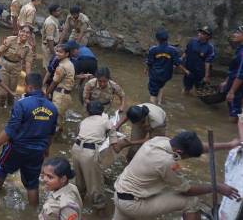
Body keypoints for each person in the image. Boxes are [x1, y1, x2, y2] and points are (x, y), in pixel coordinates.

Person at [112, 132, 240, 220]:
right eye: (187, 156)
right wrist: (216, 187)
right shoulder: (166, 162)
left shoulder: (158, 141)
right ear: (179, 152)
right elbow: (187, 190)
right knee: (192, 202)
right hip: (134, 204)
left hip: (119, 194)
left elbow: (200, 148)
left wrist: (228, 145)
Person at [0, 73, 58, 206]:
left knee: (1, 169)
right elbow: (51, 133)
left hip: (17, 148)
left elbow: (10, 130)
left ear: (29, 87)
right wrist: (46, 149)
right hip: (38, 151)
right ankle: (33, 211)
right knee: (32, 183)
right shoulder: (52, 107)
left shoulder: (22, 104)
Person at [71, 101, 116, 210]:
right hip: (89, 153)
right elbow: (114, 142)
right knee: (95, 183)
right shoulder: (106, 121)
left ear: (88, 112)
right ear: (102, 111)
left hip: (76, 149)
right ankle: (99, 209)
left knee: (79, 180)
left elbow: (78, 134)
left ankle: (76, 204)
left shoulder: (84, 121)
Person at [0, 25, 35, 107]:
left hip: (16, 68)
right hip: (3, 65)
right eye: (23, 31)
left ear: (30, 35)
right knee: (2, 94)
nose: (25, 34)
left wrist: (29, 80)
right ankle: (0, 111)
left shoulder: (29, 48)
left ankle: (10, 112)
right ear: (19, 31)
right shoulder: (10, 40)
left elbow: (28, 65)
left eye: (27, 33)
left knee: (11, 94)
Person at [146, 28, 188, 104]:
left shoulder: (153, 49)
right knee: (161, 86)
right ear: (167, 38)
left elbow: (149, 63)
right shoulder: (173, 50)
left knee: (153, 94)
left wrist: (146, 70)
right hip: (166, 75)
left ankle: (153, 108)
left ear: (157, 39)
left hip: (155, 75)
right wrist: (185, 71)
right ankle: (159, 102)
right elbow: (177, 63)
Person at [44, 44, 75, 133]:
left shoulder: (61, 67)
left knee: (54, 119)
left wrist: (46, 94)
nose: (57, 53)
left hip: (60, 95)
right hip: (66, 95)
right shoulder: (70, 63)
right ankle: (60, 137)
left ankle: (52, 141)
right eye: (57, 51)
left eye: (60, 52)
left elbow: (54, 82)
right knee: (60, 118)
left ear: (67, 54)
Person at [181, 26, 215, 95]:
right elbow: (186, 52)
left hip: (200, 73)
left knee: (199, 91)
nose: (199, 34)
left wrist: (206, 76)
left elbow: (208, 62)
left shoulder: (210, 47)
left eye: (203, 33)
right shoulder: (192, 41)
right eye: (200, 32)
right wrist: (180, 60)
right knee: (186, 89)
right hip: (189, 71)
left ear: (208, 36)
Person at [223, 25, 243, 122]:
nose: (235, 34)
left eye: (238, 32)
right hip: (234, 84)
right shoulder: (240, 48)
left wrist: (232, 91)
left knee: (235, 113)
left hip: (238, 88)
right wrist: (226, 81)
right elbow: (234, 69)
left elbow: (241, 74)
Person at [41, 4, 61, 70]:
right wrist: (53, 52)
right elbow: (50, 39)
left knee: (48, 65)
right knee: (48, 67)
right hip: (49, 47)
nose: (59, 12)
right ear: (53, 12)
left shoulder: (54, 20)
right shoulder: (50, 23)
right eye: (58, 11)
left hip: (51, 46)